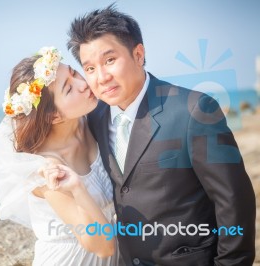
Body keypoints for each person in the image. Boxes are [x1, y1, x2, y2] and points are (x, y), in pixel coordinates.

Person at [67, 4, 256, 266]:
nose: (101, 77)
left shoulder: (194, 111)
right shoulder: (95, 117)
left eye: (110, 60)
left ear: (139, 54)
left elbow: (234, 201)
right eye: (89, 68)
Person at [0, 47, 119, 265]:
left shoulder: (91, 120)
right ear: (54, 116)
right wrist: (77, 188)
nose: (83, 83)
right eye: (69, 89)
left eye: (74, 73)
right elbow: (102, 246)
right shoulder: (46, 168)